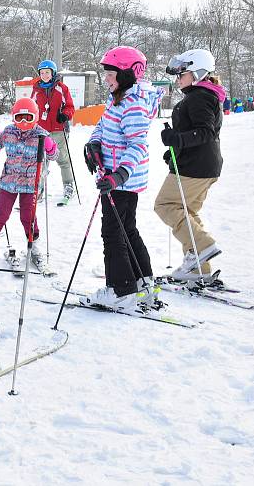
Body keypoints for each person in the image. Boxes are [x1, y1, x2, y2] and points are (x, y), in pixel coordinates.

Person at [81, 46, 162, 310]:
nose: (106, 78)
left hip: (122, 179)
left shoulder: (133, 104)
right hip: (115, 175)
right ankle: (142, 282)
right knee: (127, 229)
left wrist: (119, 175)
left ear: (127, 74)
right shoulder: (117, 97)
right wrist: (93, 144)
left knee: (113, 233)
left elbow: (137, 144)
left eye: (111, 74)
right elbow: (104, 125)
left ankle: (120, 291)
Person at [155, 49, 225, 281]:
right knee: (187, 212)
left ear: (197, 73)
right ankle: (198, 270)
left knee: (165, 205)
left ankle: (202, 246)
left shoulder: (200, 96)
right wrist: (175, 148)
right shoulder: (203, 95)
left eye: (181, 74)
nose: (178, 79)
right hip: (202, 165)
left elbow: (205, 131)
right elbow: (200, 132)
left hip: (195, 167)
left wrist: (178, 139)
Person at [0, 98, 58, 268]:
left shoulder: (41, 134)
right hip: (9, 181)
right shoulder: (9, 131)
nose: (23, 122)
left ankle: (34, 245)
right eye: (19, 117)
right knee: (2, 212)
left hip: (31, 183)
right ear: (13, 117)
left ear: (35, 117)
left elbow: (53, 156)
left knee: (27, 216)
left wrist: (50, 147)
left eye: (28, 118)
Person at [31, 59, 76, 205]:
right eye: (42, 73)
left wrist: (65, 115)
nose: (44, 75)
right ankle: (39, 190)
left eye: (47, 72)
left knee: (63, 160)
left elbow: (70, 106)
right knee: (41, 161)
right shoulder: (36, 89)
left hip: (59, 129)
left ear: (53, 73)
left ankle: (68, 186)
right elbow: (32, 107)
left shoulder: (62, 88)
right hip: (42, 131)